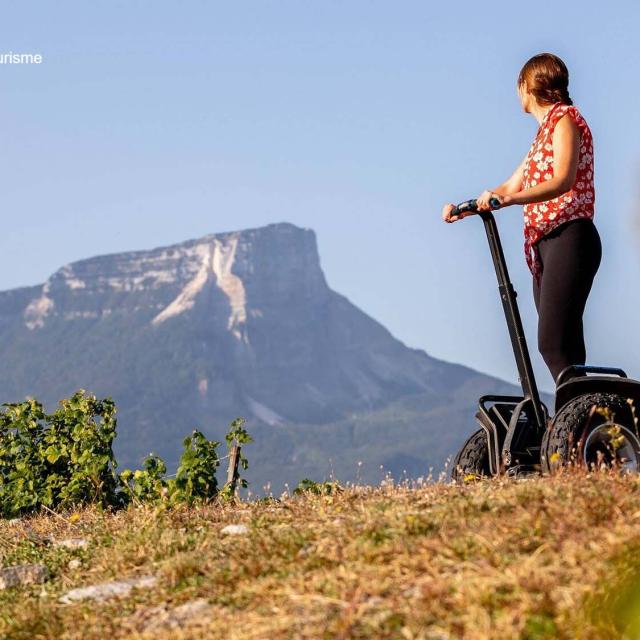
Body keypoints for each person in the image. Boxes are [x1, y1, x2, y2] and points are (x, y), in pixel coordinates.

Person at [441, 52, 601, 387]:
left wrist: (510, 199)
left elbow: (563, 179)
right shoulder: (540, 138)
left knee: (553, 343)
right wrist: (467, 207)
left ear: (528, 86)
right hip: (544, 244)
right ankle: (582, 422)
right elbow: (509, 186)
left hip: (570, 236)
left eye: (519, 86)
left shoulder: (566, 120)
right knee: (563, 346)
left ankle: (583, 418)